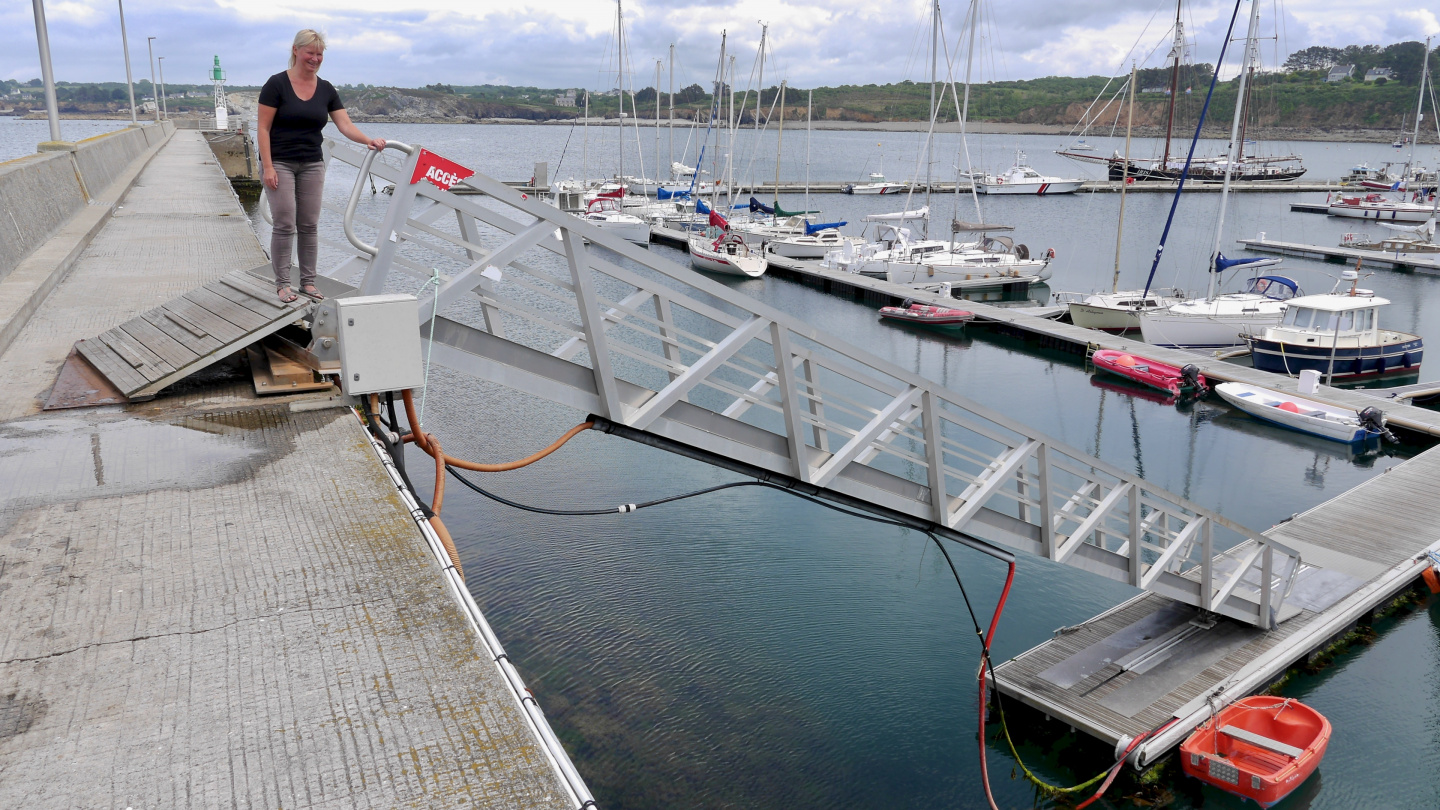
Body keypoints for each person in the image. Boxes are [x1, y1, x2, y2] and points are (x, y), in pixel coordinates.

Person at [258, 29, 385, 302]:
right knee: (284, 221)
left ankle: (308, 283)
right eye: (310, 53)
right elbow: (263, 128)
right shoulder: (276, 84)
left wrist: (368, 140)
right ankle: (282, 283)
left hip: (312, 164)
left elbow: (345, 125)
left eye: (319, 54)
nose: (315, 59)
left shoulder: (326, 89)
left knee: (309, 224)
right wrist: (267, 167)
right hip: (279, 161)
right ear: (295, 51)